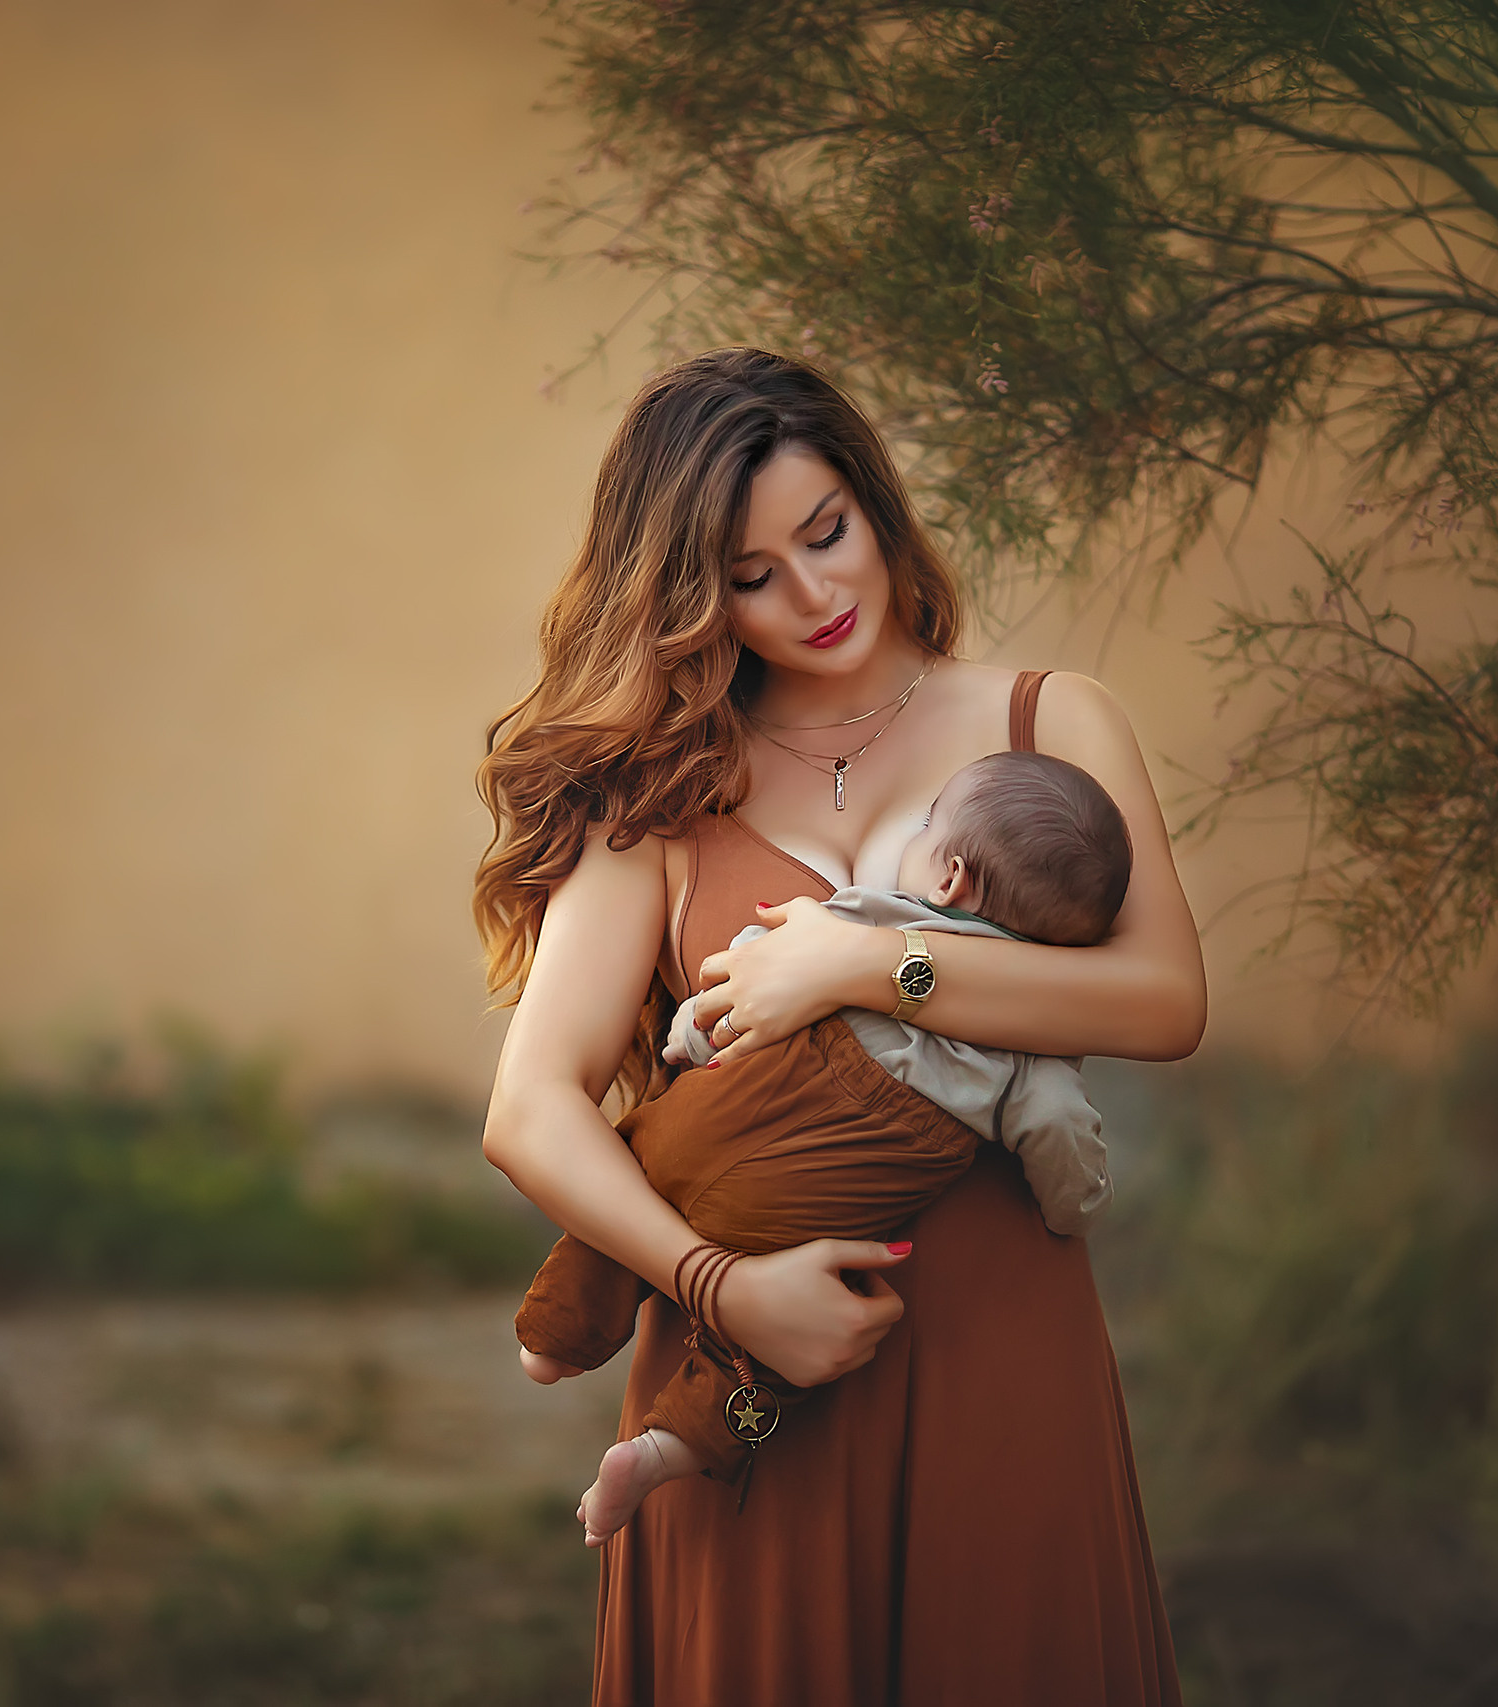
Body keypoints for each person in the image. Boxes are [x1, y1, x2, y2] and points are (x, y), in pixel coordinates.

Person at [475, 348, 1206, 1705]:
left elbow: (1163, 1000)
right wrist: (719, 1287)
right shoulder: (665, 793)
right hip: (747, 1379)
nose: (815, 596)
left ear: (875, 504)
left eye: (828, 533)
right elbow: (531, 1107)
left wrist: (876, 968)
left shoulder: (1049, 723)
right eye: (753, 575)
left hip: (1007, 1366)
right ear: (691, 595)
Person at [513, 747, 1136, 1548]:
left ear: (948, 879)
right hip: (806, 1205)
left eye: (925, 829)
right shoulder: (1026, 1045)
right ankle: (661, 1452)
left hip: (716, 1113)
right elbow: (1059, 1136)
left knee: (634, 1174)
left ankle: (551, 1336)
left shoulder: (864, 915)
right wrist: (1075, 1206)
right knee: (768, 1360)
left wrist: (690, 1038)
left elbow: (747, 964)